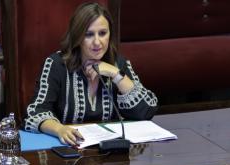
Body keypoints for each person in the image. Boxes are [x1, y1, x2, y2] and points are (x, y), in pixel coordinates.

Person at [24, 2, 158, 145]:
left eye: (102, 33)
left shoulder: (118, 63)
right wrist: (59, 129)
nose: (97, 42)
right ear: (77, 37)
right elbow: (35, 113)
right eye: (88, 34)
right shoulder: (57, 64)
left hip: (110, 155)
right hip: (69, 152)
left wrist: (116, 75)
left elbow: (146, 111)